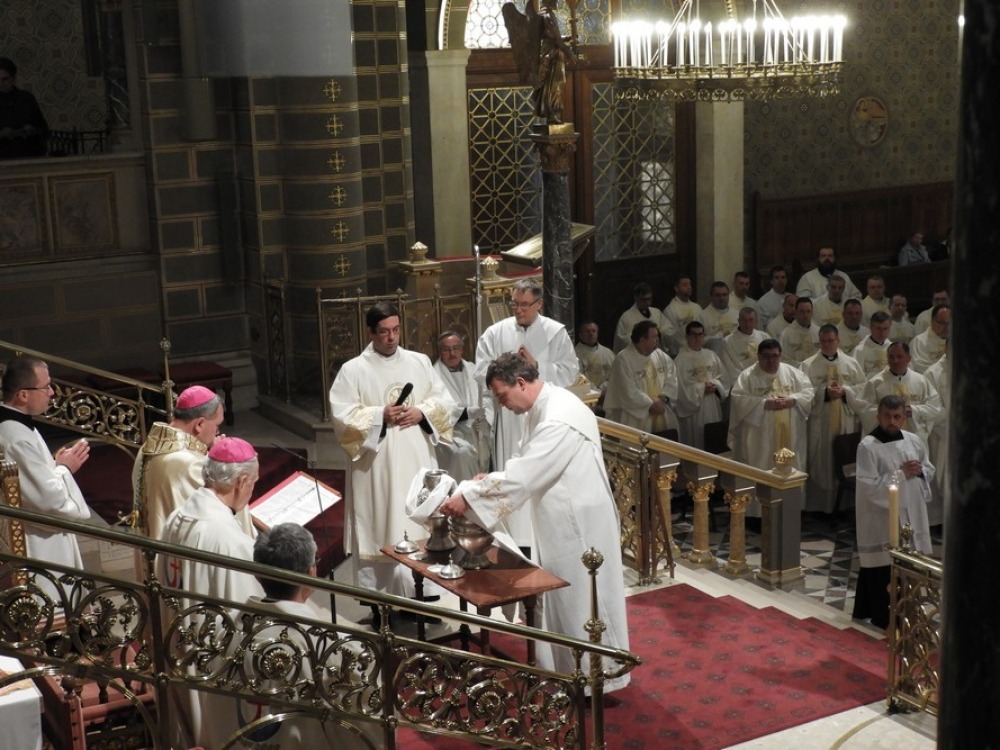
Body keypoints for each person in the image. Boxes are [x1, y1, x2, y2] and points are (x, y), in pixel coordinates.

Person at [438, 353, 630, 693]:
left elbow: (525, 475)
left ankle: (591, 678)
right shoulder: (542, 406)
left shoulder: (558, 417)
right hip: (561, 515)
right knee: (563, 597)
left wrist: (470, 496)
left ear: (521, 383)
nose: (502, 405)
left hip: (578, 523)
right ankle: (568, 672)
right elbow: (523, 459)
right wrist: (490, 479)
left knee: (581, 599)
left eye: (502, 396)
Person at [198, 523, 384, 749]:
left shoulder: (224, 632)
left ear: (257, 575)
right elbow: (367, 731)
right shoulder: (333, 648)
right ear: (311, 573)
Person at [329, 301, 455, 602]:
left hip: (416, 459)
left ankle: (423, 593)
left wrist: (422, 412)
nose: (391, 337)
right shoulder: (353, 370)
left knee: (419, 522)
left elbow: (445, 402)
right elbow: (342, 417)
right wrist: (379, 415)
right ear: (371, 332)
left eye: (396, 330)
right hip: (377, 465)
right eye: (384, 331)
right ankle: (380, 602)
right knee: (381, 524)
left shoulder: (419, 362)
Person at [157, 437, 267, 749]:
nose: (251, 489)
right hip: (211, 658)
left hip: (181, 644)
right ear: (241, 481)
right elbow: (247, 611)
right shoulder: (227, 539)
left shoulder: (177, 517)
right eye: (253, 482)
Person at [0, 355, 95, 600]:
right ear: (23, 395)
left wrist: (54, 464)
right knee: (52, 604)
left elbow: (33, 480)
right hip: (38, 544)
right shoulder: (16, 437)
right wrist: (65, 469)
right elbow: (48, 501)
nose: (51, 393)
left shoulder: (18, 426)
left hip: (37, 538)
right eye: (46, 387)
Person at [475, 277, 578, 484]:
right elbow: (480, 371)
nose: (518, 310)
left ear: (539, 304)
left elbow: (570, 372)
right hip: (509, 416)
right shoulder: (495, 333)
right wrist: (507, 373)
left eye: (524, 305)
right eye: (514, 304)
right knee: (510, 468)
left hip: (544, 412)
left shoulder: (555, 332)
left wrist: (536, 366)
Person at [853, 395, 934, 629]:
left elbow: (928, 468)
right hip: (882, 517)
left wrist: (920, 471)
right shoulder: (868, 446)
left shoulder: (914, 440)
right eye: (887, 416)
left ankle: (909, 612)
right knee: (882, 568)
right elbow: (868, 486)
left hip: (913, 512)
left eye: (897, 416)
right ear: (878, 416)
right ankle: (884, 617)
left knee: (911, 565)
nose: (892, 421)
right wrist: (901, 474)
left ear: (904, 418)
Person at [132, 385, 232, 541]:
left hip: (149, 544)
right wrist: (219, 460)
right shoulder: (190, 464)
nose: (217, 433)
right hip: (175, 550)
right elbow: (226, 505)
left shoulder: (147, 447)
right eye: (217, 426)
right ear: (200, 424)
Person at [728, 340, 814, 515]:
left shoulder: (793, 373)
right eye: (766, 357)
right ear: (759, 357)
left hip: (791, 435)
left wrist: (793, 400)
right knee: (760, 467)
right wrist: (763, 404)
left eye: (775, 356)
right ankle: (758, 513)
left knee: (792, 467)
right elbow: (738, 399)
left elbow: (808, 392)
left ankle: (791, 510)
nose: (771, 361)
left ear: (780, 355)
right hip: (759, 438)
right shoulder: (747, 376)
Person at [800, 326, 866, 513]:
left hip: (846, 420)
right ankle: (821, 507)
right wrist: (824, 393)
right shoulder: (808, 365)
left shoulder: (851, 363)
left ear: (838, 341)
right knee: (822, 459)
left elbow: (863, 389)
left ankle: (845, 505)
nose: (827, 344)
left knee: (845, 459)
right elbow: (803, 394)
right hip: (821, 422)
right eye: (823, 341)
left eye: (831, 340)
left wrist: (846, 392)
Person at [854, 342, 942, 442]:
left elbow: (935, 408)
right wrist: (887, 414)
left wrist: (913, 411)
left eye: (899, 357)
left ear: (909, 358)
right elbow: (864, 410)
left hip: (914, 440)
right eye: (891, 357)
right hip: (886, 439)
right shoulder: (876, 383)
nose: (895, 361)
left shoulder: (921, 381)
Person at [603, 321, 679, 437]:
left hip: (661, 412)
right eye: (654, 337)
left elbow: (671, 378)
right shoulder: (623, 359)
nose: (658, 340)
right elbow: (628, 391)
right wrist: (651, 404)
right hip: (635, 418)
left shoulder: (660, 355)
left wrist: (663, 398)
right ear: (642, 340)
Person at [434, 331, 493, 480]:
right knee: (462, 456)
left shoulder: (475, 371)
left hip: (478, 430)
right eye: (447, 349)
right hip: (451, 434)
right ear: (440, 351)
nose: (452, 353)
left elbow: (488, 396)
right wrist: (465, 413)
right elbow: (436, 408)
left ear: (462, 349)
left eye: (456, 348)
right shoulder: (433, 375)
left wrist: (485, 417)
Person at [673, 321, 727, 450]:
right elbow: (680, 389)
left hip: (711, 405)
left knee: (712, 440)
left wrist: (715, 385)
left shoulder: (711, 355)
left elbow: (724, 378)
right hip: (693, 409)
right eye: (694, 335)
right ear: (687, 337)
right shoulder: (680, 360)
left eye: (700, 334)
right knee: (696, 442)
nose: (697, 338)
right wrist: (702, 388)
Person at [0, 57, 48, 159]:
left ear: (13, 78)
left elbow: (43, 128)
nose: (1, 84)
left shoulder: (26, 98)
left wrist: (32, 130)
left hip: (28, 153)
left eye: (5, 79)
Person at [923, 353, 949, 526]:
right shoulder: (933, 373)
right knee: (940, 479)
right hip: (942, 434)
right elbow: (933, 408)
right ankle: (939, 521)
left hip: (963, 432)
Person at [613, 281, 672, 354]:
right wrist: (642, 337)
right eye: (643, 300)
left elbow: (669, 331)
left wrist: (659, 333)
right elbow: (622, 340)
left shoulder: (656, 313)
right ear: (636, 298)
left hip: (656, 354)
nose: (647, 303)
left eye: (649, 299)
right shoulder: (626, 318)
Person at [720, 307, 768, 388]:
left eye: (751, 320)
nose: (747, 324)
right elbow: (730, 369)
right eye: (744, 320)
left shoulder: (764, 337)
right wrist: (750, 381)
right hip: (742, 383)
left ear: (756, 321)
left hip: (763, 381)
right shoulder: (728, 342)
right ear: (738, 321)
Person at [795, 247, 862, 301]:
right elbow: (802, 301)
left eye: (830, 256)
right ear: (818, 259)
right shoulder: (807, 278)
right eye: (823, 256)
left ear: (834, 258)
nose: (827, 258)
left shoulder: (844, 276)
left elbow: (857, 297)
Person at [662, 275, 703, 355]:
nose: (689, 287)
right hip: (681, 352)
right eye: (685, 285)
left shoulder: (697, 307)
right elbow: (671, 336)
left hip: (698, 350)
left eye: (690, 284)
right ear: (676, 288)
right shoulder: (670, 310)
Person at [574, 320, 615, 397]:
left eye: (593, 331)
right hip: (585, 395)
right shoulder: (574, 354)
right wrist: (595, 390)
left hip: (607, 394)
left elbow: (614, 374)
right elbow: (578, 377)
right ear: (580, 335)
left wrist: (603, 388)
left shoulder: (607, 353)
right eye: (587, 331)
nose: (591, 334)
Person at [699, 281, 739, 354]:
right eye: (718, 295)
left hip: (734, 355)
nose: (722, 298)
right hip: (713, 356)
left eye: (724, 294)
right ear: (711, 296)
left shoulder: (737, 315)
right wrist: (719, 336)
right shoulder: (701, 317)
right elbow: (699, 342)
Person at [778, 297, 820, 366]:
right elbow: (784, 360)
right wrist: (803, 367)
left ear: (812, 312)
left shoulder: (818, 332)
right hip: (795, 370)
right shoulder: (786, 334)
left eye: (808, 311)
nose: (805, 315)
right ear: (795, 312)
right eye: (802, 311)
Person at [851, 311, 892, 380]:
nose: (882, 333)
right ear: (871, 328)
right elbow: (856, 377)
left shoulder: (893, 348)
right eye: (878, 328)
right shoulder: (860, 350)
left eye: (885, 329)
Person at [909, 304, 949, 373]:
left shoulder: (956, 342)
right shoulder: (918, 342)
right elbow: (918, 366)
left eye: (948, 323)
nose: (946, 327)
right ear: (932, 321)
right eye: (941, 322)